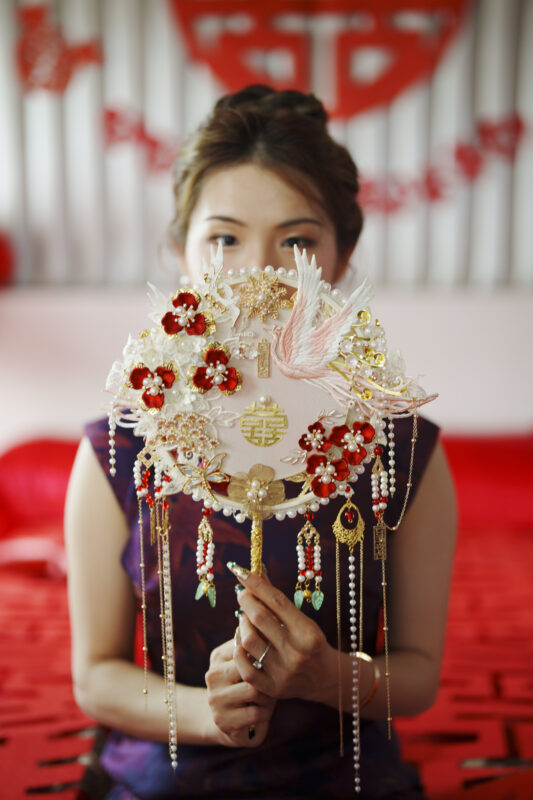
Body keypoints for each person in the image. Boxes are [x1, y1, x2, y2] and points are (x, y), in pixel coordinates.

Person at [65, 85, 457, 799]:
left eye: (298, 241)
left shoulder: (404, 452)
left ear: (340, 261)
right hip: (162, 782)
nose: (258, 274)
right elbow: (95, 677)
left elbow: (420, 675)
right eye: (224, 238)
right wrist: (208, 716)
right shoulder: (117, 449)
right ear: (182, 256)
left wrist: (327, 677)